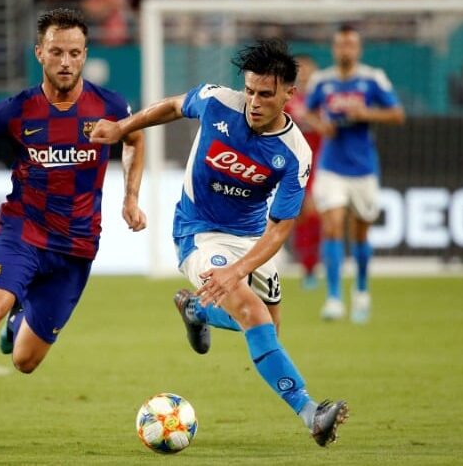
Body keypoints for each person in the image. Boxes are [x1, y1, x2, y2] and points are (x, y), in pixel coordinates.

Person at [0, 7, 146, 446]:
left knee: (25, 361)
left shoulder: (110, 106)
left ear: (85, 53)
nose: (66, 62)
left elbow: (135, 137)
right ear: (39, 53)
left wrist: (130, 197)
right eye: (57, 52)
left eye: (75, 53)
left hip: (76, 249)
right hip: (23, 233)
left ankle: (18, 324)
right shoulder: (18, 109)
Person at [90, 39, 348, 448]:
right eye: (250, 90)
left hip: (252, 239)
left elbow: (279, 230)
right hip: (199, 231)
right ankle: (311, 412)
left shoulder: (294, 153)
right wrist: (122, 128)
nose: (254, 102)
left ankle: (197, 310)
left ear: (288, 94)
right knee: (253, 314)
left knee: (269, 328)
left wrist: (239, 269)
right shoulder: (218, 102)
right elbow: (173, 106)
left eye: (265, 94)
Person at [303, 25, 405, 324]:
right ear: (334, 49)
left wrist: (366, 114)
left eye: (350, 45)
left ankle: (361, 290)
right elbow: (307, 112)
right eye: (340, 45)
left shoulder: (373, 79)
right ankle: (334, 297)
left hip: (363, 168)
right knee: (332, 225)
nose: (345, 50)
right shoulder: (322, 81)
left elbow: (397, 114)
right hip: (331, 166)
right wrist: (321, 126)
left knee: (360, 232)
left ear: (358, 49)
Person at [283, 54, 322, 289]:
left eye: (308, 69)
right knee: (300, 216)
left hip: (320, 163)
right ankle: (306, 263)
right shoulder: (286, 99)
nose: (305, 73)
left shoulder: (322, 100)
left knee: (314, 213)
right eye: (301, 69)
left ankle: (311, 265)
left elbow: (329, 130)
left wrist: (308, 116)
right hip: (292, 165)